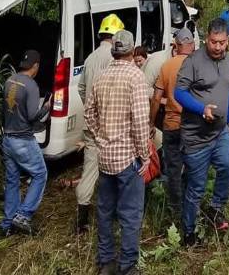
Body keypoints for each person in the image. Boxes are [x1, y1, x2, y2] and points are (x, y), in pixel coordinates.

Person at [84, 30, 151, 275]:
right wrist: (144, 155)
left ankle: (106, 262)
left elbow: (89, 113)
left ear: (114, 50)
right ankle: (128, 266)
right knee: (131, 214)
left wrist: (101, 137)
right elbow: (141, 122)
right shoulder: (136, 77)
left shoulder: (101, 76)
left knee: (104, 212)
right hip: (128, 159)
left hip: (105, 158)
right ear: (132, 51)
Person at [174, 18, 229, 247]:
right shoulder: (193, 61)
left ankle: (216, 209)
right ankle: (188, 234)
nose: (218, 47)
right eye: (213, 42)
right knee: (196, 187)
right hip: (196, 136)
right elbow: (178, 93)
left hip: (220, 131)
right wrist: (201, 109)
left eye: (222, 42)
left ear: (227, 40)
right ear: (207, 39)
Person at [75, 13, 124, 233]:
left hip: (90, 124)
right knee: (115, 168)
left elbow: (81, 88)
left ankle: (82, 218)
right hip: (110, 123)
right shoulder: (115, 58)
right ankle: (113, 213)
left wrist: (89, 107)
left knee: (90, 168)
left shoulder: (90, 58)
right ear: (116, 37)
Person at [0, 50, 50, 236]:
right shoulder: (31, 85)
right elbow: (31, 117)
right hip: (23, 139)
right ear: (35, 66)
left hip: (7, 139)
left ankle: (7, 224)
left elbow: (3, 110)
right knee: (40, 174)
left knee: (12, 180)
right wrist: (45, 108)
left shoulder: (9, 81)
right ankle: (23, 215)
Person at [150, 27, 196, 221]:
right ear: (192, 45)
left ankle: (174, 211)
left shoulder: (167, 66)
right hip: (193, 127)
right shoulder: (198, 65)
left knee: (173, 169)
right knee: (193, 167)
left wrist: (151, 123)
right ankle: (190, 209)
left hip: (171, 125)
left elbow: (156, 98)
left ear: (176, 46)